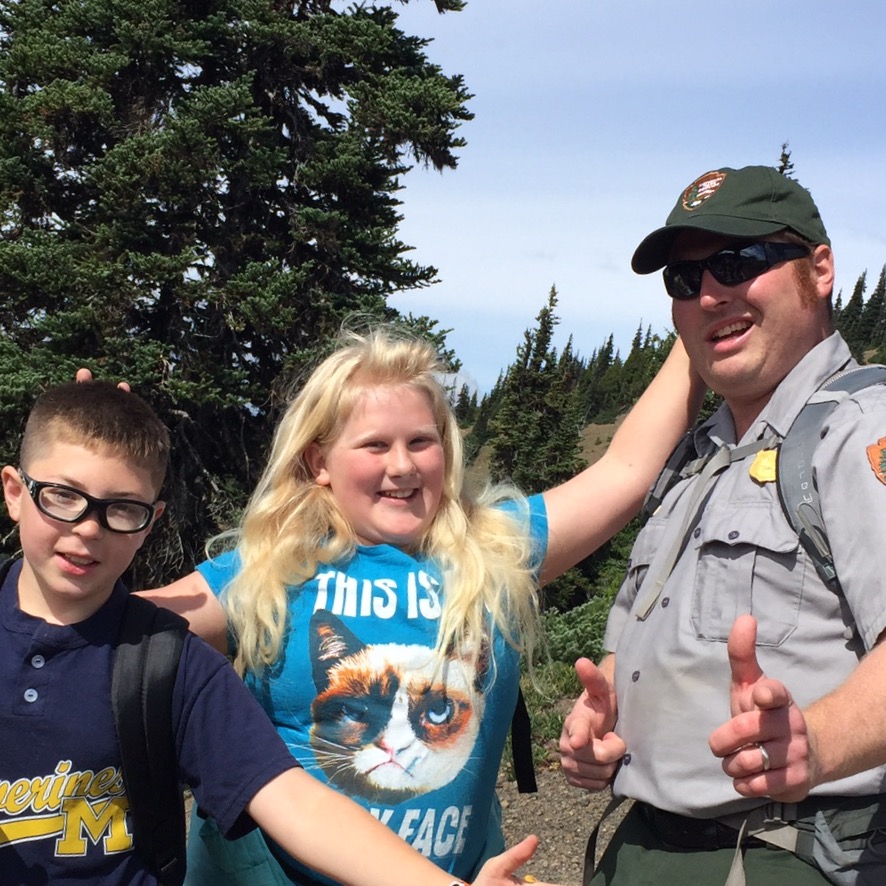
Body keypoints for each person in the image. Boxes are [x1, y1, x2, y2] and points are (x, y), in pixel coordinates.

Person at [138, 325, 704, 885]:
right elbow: (116, 620)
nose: (403, 465)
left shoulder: (497, 549)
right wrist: (97, 478)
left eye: (420, 441)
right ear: (319, 463)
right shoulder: (268, 570)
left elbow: (627, 471)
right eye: (375, 445)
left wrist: (696, 325)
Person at [0, 378, 563, 886]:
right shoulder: (217, 606)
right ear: (15, 491)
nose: (89, 529)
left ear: (153, 521)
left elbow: (292, 800)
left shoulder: (172, 665)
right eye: (63, 496)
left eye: (123, 509)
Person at [559, 165, 886, 886]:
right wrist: (603, 716)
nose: (709, 293)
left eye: (739, 263)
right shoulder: (694, 460)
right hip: (641, 845)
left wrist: (818, 743)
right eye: (684, 279)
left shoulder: (863, 429)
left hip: (778, 854)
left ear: (820, 268)